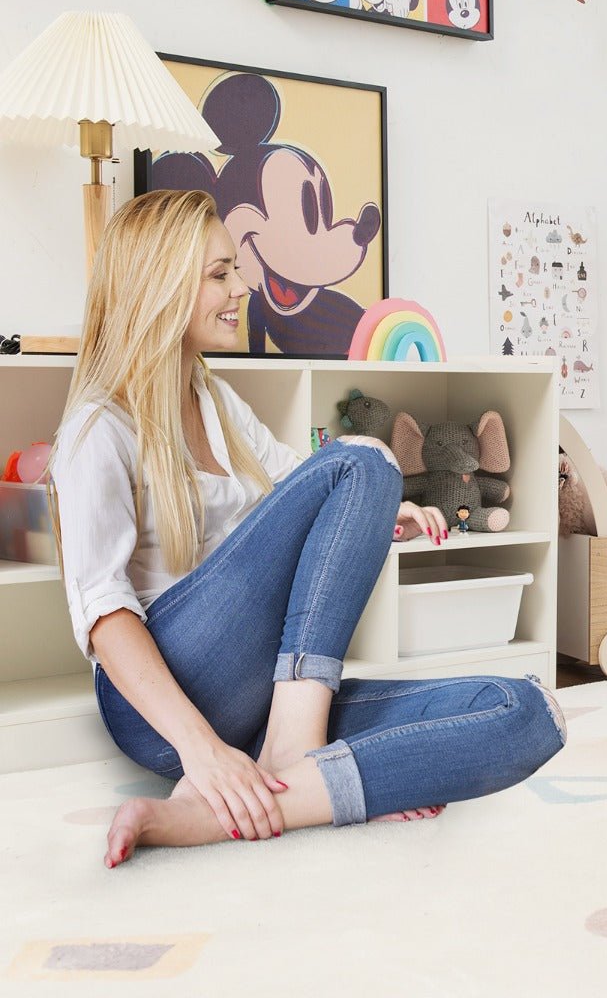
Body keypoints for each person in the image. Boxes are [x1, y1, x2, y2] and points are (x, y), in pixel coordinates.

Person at [51, 189, 566, 869]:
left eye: (234, 268)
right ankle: (295, 752)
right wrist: (202, 751)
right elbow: (101, 615)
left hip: (262, 698)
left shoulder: (212, 401)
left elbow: (304, 489)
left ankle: (250, 800)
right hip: (163, 709)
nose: (242, 285)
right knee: (365, 458)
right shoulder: (97, 427)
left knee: (524, 711)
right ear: (159, 286)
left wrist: (382, 511)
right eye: (218, 273)